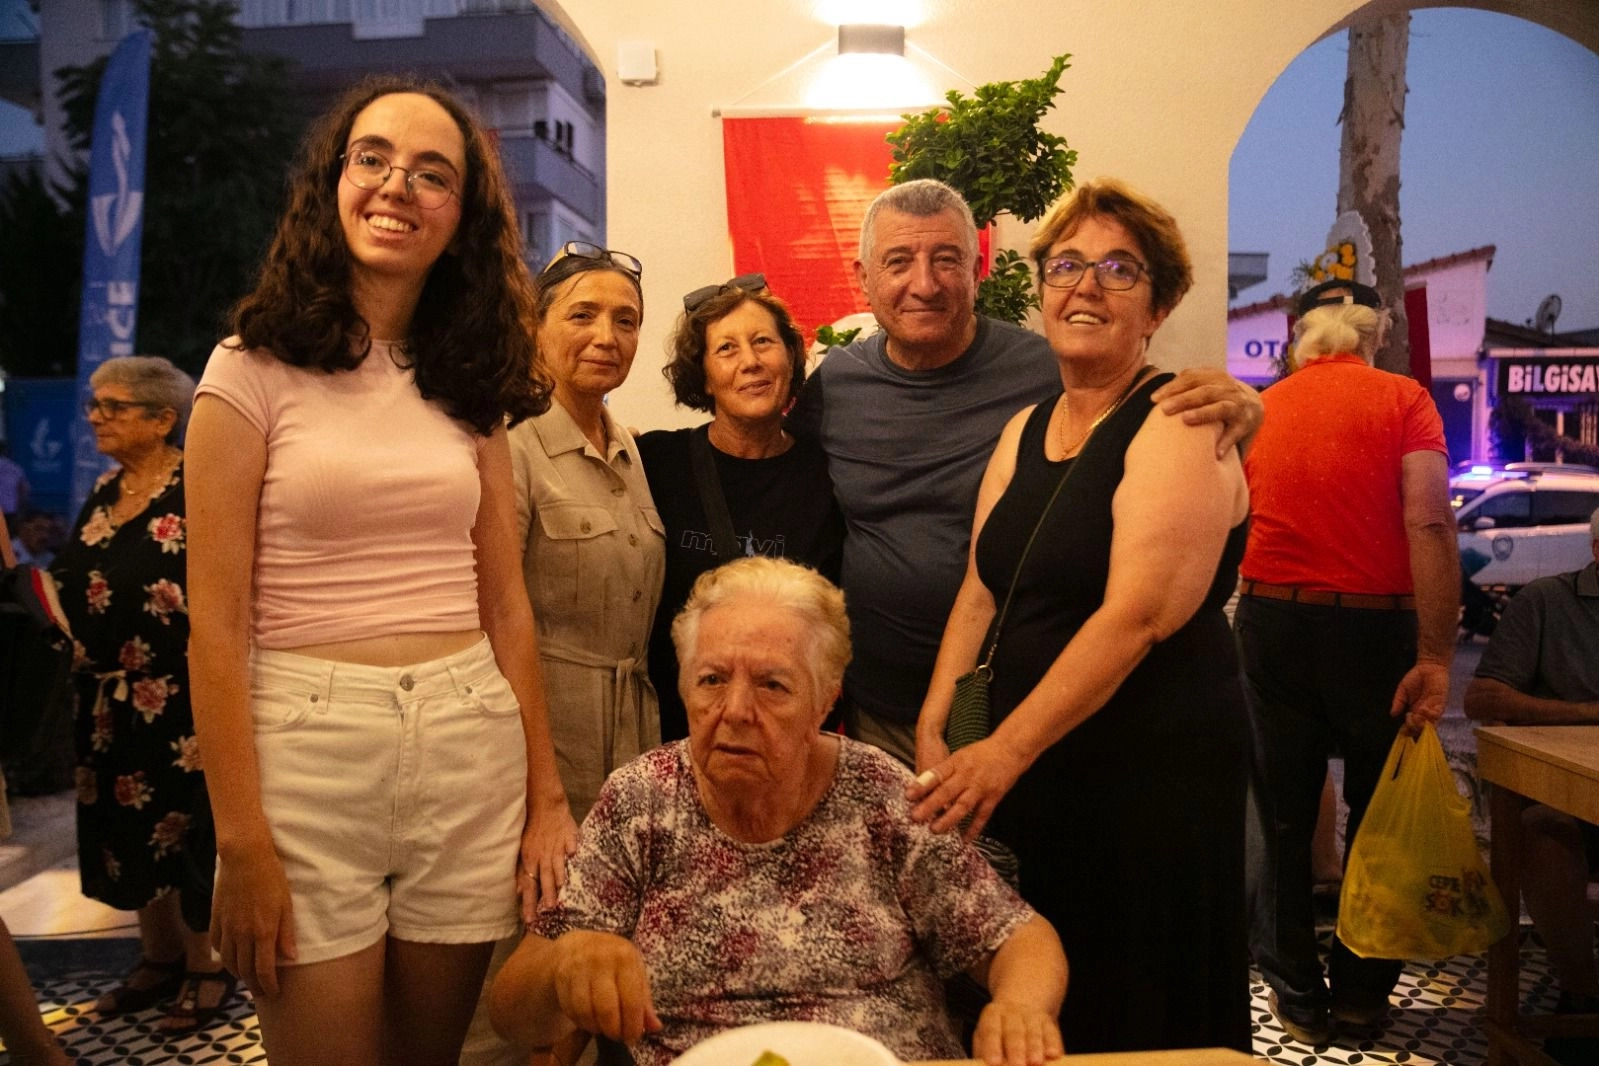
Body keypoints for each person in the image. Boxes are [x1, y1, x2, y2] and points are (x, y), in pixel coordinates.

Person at [184, 76, 576, 1066]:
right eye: (374, 158)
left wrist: (546, 795)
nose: (398, 185)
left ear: (461, 216)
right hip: (305, 753)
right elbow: (215, 627)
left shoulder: (467, 378)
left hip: (466, 741)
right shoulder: (249, 367)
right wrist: (239, 839)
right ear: (334, 179)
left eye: (432, 173)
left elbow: (505, 604)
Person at [910, 179, 1251, 1053]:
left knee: (1131, 1006)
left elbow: (1136, 617)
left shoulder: (1177, 419)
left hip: (1144, 778)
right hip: (1038, 771)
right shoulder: (1026, 427)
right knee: (1037, 991)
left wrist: (1002, 751)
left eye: (1117, 269)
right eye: (1065, 266)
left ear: (1158, 306)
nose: (1085, 286)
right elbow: (982, 588)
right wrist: (936, 720)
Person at [490, 557, 1067, 1066]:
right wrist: (566, 964)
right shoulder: (642, 801)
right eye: (712, 680)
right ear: (685, 689)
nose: (736, 710)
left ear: (824, 702)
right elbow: (512, 1012)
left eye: (772, 685)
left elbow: (1021, 939)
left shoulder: (880, 794)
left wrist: (1021, 1007)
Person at [788, 178, 1262, 766]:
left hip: (1037, 711)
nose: (924, 284)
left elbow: (1142, 429)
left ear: (978, 269)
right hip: (875, 705)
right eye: (899, 261)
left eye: (947, 260)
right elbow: (781, 486)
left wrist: (1246, 408)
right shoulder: (836, 386)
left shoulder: (1046, 371)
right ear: (864, 277)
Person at [1236, 278, 1459, 1045]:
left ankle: (1296, 997)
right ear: (1377, 330)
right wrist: (1435, 655)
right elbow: (1429, 521)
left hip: (1272, 621)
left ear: (1297, 333)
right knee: (1379, 816)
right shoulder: (1404, 401)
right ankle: (1361, 996)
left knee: (1281, 815)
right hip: (1377, 630)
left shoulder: (1261, 407)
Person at [464, 242, 665, 1066]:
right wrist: (540, 794)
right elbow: (491, 618)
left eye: (626, 320)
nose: (606, 336)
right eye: (582, 314)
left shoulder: (627, 447)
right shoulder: (507, 442)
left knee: (595, 961)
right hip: (536, 745)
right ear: (534, 326)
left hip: (627, 741)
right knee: (518, 967)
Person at [48, 356, 231, 1034]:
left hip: (179, 697)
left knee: (185, 830)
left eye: (114, 406)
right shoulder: (104, 491)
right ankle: (159, 958)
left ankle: (207, 965)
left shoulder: (196, 485)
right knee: (126, 833)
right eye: (94, 404)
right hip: (106, 700)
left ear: (162, 419)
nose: (96, 417)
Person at [639, 273, 844, 741]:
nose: (750, 362)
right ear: (705, 378)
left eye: (763, 342)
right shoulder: (656, 463)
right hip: (674, 733)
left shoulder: (829, 475)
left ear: (790, 358)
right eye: (727, 349)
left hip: (783, 734)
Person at [1464, 506, 1599, 1066]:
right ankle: (1585, 994)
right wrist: (1585, 713)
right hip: (1566, 800)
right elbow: (1483, 698)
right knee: (1541, 831)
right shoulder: (1547, 601)